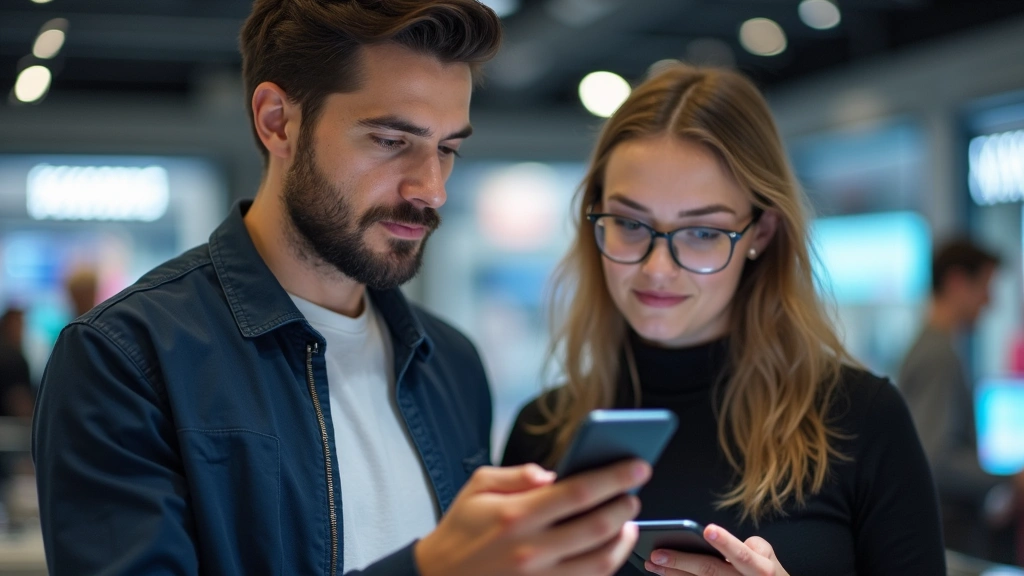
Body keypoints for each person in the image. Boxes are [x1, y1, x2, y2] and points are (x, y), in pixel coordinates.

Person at [33, 1, 651, 575]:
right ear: (278, 123)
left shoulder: (450, 363)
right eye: (390, 141)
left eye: (448, 149)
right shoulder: (125, 359)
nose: (430, 188)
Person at [502, 63, 946, 575]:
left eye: (703, 233)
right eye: (629, 223)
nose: (658, 268)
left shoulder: (861, 422)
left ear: (761, 232)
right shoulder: (542, 432)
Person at [898, 238, 1022, 563]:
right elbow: (936, 458)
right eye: (984, 287)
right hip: (949, 532)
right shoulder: (938, 356)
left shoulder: (929, 347)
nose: (989, 301)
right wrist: (1010, 478)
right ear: (956, 282)